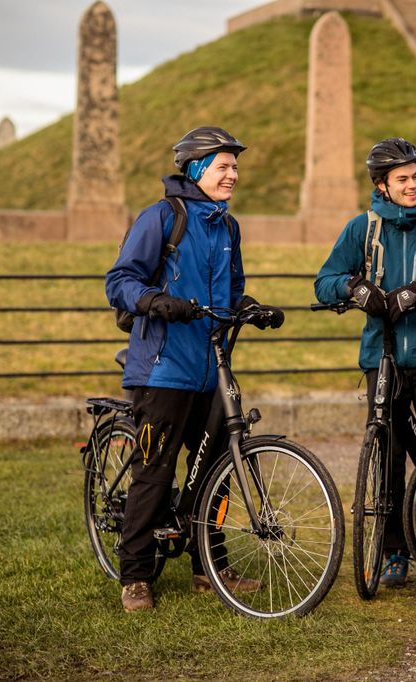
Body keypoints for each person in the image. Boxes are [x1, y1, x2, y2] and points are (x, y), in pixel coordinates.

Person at [105, 126, 285, 612]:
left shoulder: (228, 226)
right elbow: (120, 280)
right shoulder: (163, 217)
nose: (234, 174)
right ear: (199, 169)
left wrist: (250, 307)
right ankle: (136, 576)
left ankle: (209, 565)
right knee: (155, 472)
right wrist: (156, 300)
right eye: (224, 166)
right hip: (163, 369)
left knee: (216, 472)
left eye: (235, 166)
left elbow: (231, 287)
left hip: (214, 367)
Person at [314, 137, 416, 586]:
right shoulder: (361, 229)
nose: (412, 185)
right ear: (381, 185)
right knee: (385, 455)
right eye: (402, 179)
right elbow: (323, 281)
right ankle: (392, 551)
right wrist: (353, 288)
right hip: (381, 357)